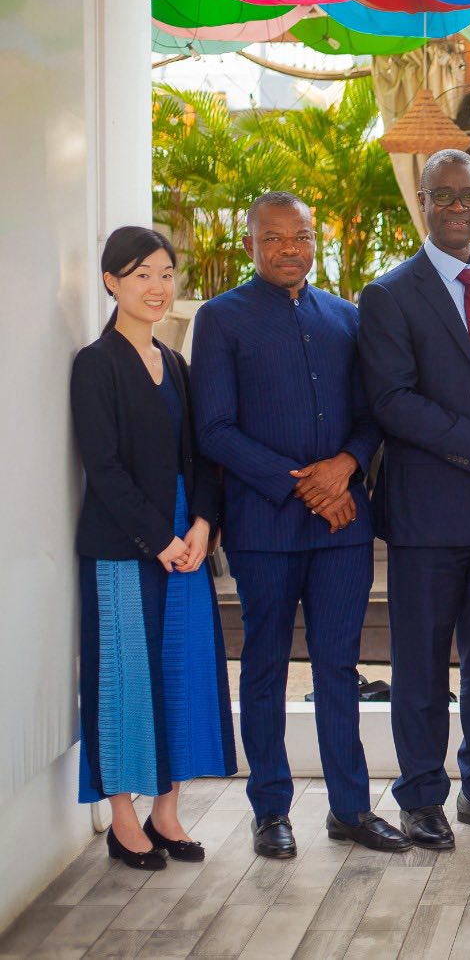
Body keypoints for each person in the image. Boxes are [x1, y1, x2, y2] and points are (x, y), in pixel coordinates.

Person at [191, 192, 408, 859]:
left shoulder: (346, 317)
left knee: (339, 668)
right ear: (251, 241)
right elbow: (216, 430)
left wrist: (344, 466)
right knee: (262, 667)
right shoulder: (220, 319)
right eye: (275, 238)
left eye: (302, 236)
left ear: (317, 241)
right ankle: (269, 810)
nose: (290, 249)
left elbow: (375, 415)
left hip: (341, 530)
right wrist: (309, 487)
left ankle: (350, 809)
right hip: (264, 528)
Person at [358, 149, 470, 849]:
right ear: (423, 204)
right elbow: (393, 402)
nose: (459, 209)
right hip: (430, 509)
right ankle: (421, 796)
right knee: (423, 664)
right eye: (445, 197)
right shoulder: (390, 294)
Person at [71, 226, 236, 870]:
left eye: (166, 273)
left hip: (184, 541)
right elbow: (103, 468)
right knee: (123, 678)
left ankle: (166, 813)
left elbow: (201, 457)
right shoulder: (95, 363)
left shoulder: (177, 366)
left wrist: (199, 524)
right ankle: (121, 819)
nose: (157, 287)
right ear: (111, 282)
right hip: (126, 543)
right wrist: (161, 537)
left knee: (181, 669)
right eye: (141, 273)